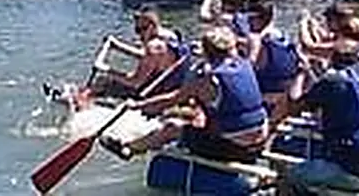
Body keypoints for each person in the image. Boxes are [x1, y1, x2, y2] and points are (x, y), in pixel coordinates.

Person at [101, 26, 269, 165]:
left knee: (172, 127)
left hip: (236, 148)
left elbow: (171, 99)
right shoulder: (246, 64)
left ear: (207, 52)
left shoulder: (207, 79)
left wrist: (137, 105)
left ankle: (129, 148)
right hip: (261, 141)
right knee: (194, 115)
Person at [277, 38, 359, 194]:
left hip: (351, 173)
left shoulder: (332, 82)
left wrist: (300, 73)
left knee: (290, 176)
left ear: (332, 59)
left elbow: (293, 107)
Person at [74, 6, 190, 108]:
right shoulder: (169, 35)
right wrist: (118, 46)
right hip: (176, 84)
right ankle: (87, 96)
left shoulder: (153, 47)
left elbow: (135, 82)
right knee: (113, 78)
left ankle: (82, 105)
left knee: (102, 81)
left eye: (140, 30)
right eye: (136, 30)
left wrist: (106, 70)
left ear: (151, 27)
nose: (139, 35)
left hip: (158, 91)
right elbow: (147, 58)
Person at [300, 2, 359, 88]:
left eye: (328, 20)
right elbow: (326, 40)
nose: (326, 23)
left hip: (354, 83)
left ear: (336, 21)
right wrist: (313, 26)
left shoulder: (346, 45)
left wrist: (302, 23)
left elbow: (309, 46)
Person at [241, 0, 302, 119]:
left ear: (261, 19)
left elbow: (247, 70)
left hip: (266, 102)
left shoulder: (256, 40)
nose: (247, 22)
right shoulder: (284, 38)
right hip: (284, 99)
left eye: (250, 18)